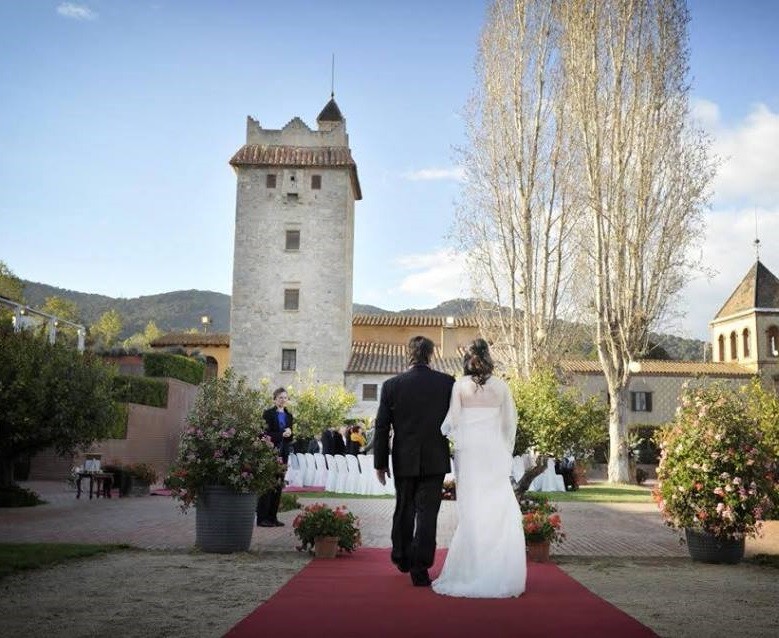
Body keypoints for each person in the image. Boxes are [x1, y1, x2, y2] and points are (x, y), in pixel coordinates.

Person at [432, 338, 526, 598]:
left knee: (472, 509)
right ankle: (498, 570)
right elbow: (509, 425)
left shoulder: (460, 386)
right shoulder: (501, 387)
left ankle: (473, 567)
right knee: (496, 505)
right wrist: (504, 451)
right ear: (488, 358)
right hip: (494, 452)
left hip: (471, 453)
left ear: (468, 359)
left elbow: (452, 421)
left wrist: (443, 431)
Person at [374, 335, 455, 587]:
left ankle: (402, 556)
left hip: (403, 456)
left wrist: (379, 462)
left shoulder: (391, 385)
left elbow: (381, 426)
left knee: (404, 507)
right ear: (431, 355)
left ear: (408, 354)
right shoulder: (447, 384)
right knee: (428, 513)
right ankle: (420, 567)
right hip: (435, 457)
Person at [256, 387, 293, 527]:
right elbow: (263, 435)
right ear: (275, 399)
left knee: (278, 485)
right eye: (280, 397)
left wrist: (290, 434)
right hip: (270, 454)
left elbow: (290, 438)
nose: (283, 400)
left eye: (285, 397)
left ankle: (273, 517)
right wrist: (280, 435)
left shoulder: (289, 416)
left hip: (283, 454)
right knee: (267, 486)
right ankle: (262, 518)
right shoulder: (268, 414)